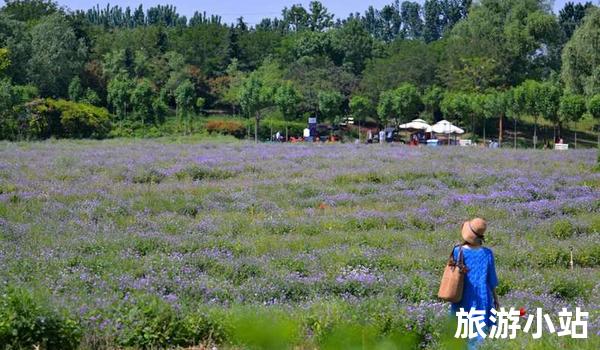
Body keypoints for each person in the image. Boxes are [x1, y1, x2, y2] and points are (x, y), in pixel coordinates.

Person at [450, 218, 499, 349]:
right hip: (482, 297)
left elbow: (452, 276)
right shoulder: (487, 253)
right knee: (479, 331)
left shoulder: (457, 251)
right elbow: (492, 280)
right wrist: (496, 299)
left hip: (462, 295)